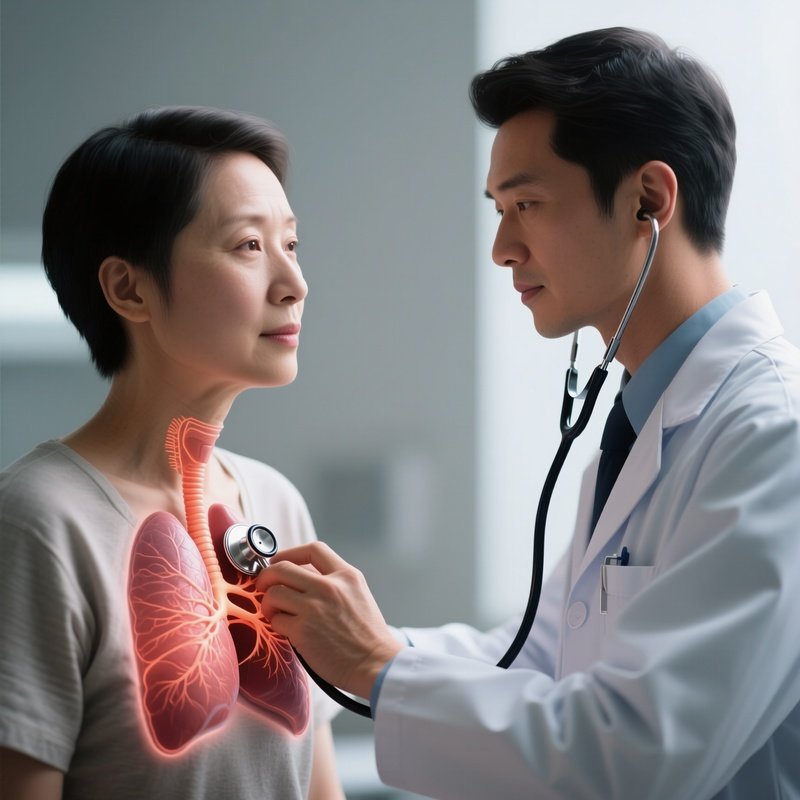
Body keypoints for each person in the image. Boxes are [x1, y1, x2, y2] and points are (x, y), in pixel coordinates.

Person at [256, 27, 800, 799]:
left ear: (649, 199)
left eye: (528, 205)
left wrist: (378, 663)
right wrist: (357, 640)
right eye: (499, 209)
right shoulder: (646, 424)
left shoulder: (773, 434)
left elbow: (641, 756)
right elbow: (541, 658)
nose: (503, 248)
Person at [0, 107, 344, 800]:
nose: (293, 283)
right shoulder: (38, 524)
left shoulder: (274, 504)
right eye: (249, 246)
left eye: (291, 244)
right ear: (128, 289)